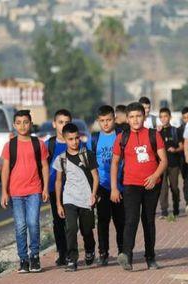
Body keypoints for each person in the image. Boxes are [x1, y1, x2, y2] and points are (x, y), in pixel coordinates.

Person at [111, 102, 167, 271]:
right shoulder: (122, 138)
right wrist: (114, 188)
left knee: (148, 220)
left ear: (144, 117)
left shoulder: (153, 135)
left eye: (138, 116)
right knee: (131, 220)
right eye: (132, 117)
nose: (135, 120)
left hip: (152, 185)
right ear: (127, 119)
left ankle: (150, 257)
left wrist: (155, 176)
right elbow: (115, 163)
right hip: (130, 185)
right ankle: (126, 256)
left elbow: (164, 160)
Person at [1, 110, 49, 273]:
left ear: (31, 123)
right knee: (20, 226)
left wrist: (45, 188)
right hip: (15, 192)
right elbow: (5, 169)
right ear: (14, 125)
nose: (22, 126)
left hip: (34, 190)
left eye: (26, 122)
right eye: (19, 122)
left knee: (33, 223)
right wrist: (4, 192)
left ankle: (34, 256)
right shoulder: (10, 145)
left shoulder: (39, 144)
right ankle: (23, 259)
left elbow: (44, 166)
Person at [53, 123, 99, 272]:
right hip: (69, 199)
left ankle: (90, 249)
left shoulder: (87, 155)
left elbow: (95, 177)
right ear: (64, 139)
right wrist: (59, 203)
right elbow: (59, 181)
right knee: (71, 228)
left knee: (87, 230)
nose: (74, 142)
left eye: (76, 138)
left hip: (86, 199)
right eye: (70, 139)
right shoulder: (61, 159)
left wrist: (93, 194)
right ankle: (72, 259)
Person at [88, 105, 126, 266]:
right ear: (98, 121)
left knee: (121, 221)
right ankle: (103, 252)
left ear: (114, 119)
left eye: (109, 120)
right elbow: (90, 166)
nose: (105, 123)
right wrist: (93, 190)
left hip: (120, 185)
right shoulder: (94, 139)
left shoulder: (121, 136)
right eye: (102, 121)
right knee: (103, 221)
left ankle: (123, 251)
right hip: (102, 186)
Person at [44, 109, 72, 267]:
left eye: (67, 123)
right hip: (55, 189)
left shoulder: (76, 142)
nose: (63, 126)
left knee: (71, 222)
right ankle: (62, 253)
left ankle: (71, 252)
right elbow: (44, 168)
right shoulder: (50, 144)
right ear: (54, 124)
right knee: (58, 222)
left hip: (73, 189)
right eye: (60, 122)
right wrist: (44, 188)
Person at [158, 107, 183, 222]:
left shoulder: (175, 131)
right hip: (161, 165)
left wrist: (176, 150)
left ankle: (176, 208)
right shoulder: (157, 133)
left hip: (174, 163)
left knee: (174, 187)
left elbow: (182, 146)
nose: (164, 119)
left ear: (170, 117)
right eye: (161, 117)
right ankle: (164, 211)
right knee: (163, 189)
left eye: (166, 116)